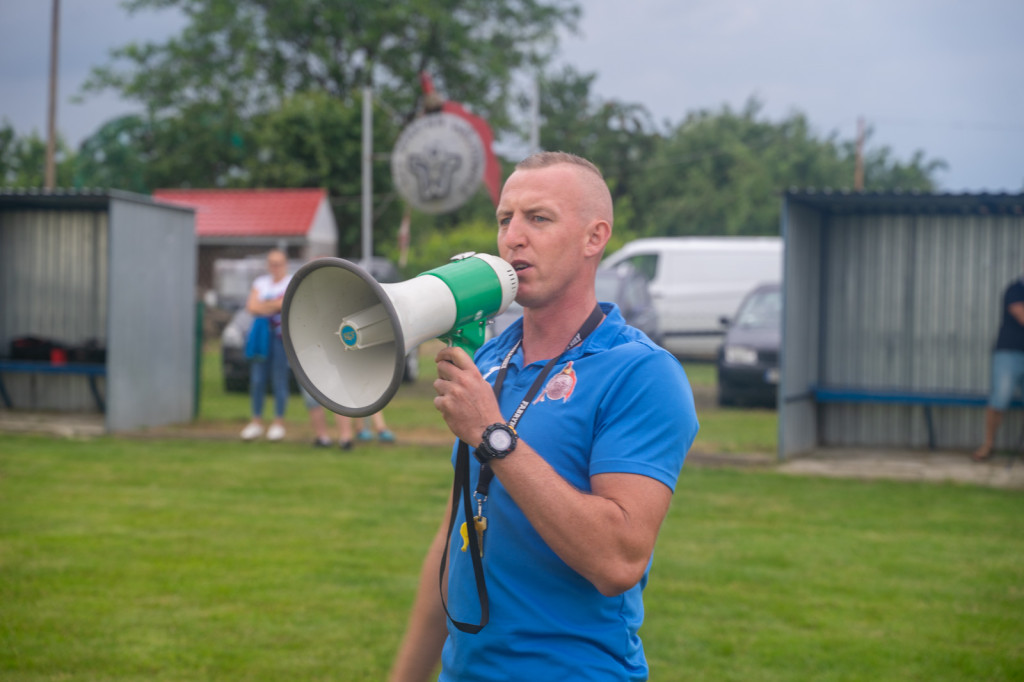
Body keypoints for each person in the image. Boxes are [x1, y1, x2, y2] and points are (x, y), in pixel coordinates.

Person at [389, 152, 698, 681]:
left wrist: (492, 436)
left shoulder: (642, 373)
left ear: (593, 238)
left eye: (539, 218)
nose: (513, 237)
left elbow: (618, 561)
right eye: (505, 219)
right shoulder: (490, 359)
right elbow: (454, 536)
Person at [240, 249, 292, 442]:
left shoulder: (290, 282)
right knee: (257, 380)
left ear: (285, 264)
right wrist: (273, 304)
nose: (275, 267)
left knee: (279, 380)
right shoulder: (260, 283)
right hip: (261, 338)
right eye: (272, 263)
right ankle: (256, 421)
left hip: (280, 338)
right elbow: (252, 307)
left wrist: (266, 304)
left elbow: (284, 304)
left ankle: (278, 422)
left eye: (279, 263)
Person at [973, 271, 1024, 462]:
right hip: (1009, 353)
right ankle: (988, 445)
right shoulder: (1015, 290)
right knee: (999, 399)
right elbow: (1022, 316)